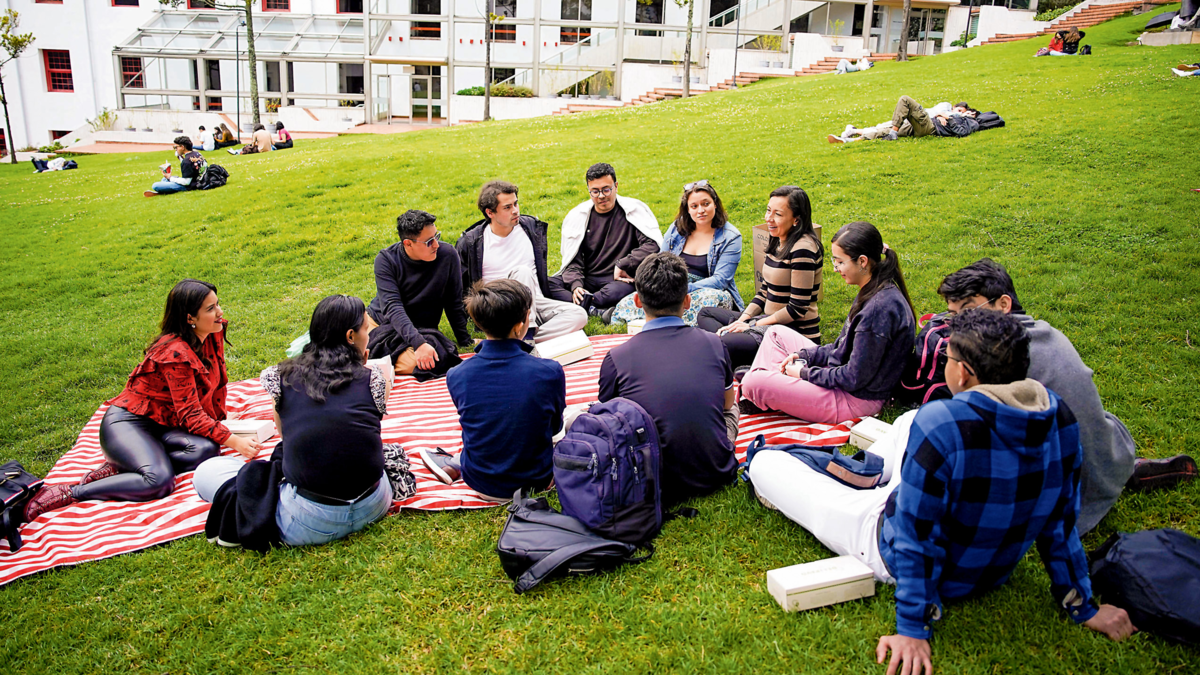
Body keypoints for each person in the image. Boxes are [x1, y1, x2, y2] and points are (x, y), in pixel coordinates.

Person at [747, 310, 1136, 675]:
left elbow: (915, 538)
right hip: (985, 560)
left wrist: (913, 628)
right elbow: (1059, 521)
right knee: (910, 420)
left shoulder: (945, 423)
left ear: (963, 373)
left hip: (886, 544)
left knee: (766, 464)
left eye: (947, 357)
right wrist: (1082, 605)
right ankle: (872, 474)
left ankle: (863, 477)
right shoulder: (1058, 414)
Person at [928, 259, 1194, 530]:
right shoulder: (1041, 331)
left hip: (1066, 493)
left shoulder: (1000, 359)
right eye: (953, 315)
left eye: (969, 312)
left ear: (1004, 305)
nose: (957, 325)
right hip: (1109, 454)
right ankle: (1124, 472)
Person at [22, 279, 261, 522]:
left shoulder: (211, 332)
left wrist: (218, 420)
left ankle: (126, 466)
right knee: (158, 481)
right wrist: (233, 440)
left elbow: (215, 383)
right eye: (210, 309)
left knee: (207, 449)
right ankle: (71, 491)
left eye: (217, 304)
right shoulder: (175, 353)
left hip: (165, 423)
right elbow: (190, 415)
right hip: (128, 422)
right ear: (190, 318)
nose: (220, 312)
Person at [193, 295, 414, 548]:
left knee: (207, 472)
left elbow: (284, 436)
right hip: (373, 505)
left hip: (307, 523)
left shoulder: (280, 377)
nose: (370, 336)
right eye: (367, 329)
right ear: (351, 337)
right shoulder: (375, 378)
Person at [598, 253, 740, 506]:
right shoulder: (715, 343)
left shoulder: (616, 358)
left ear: (637, 301)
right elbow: (727, 404)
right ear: (687, 301)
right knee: (732, 405)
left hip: (649, 477)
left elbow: (609, 424)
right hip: (715, 470)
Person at [740, 221, 915, 424]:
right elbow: (841, 346)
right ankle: (771, 386)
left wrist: (804, 373)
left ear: (863, 261)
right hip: (843, 379)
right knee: (775, 333)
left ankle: (764, 388)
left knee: (753, 382)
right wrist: (803, 355)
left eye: (840, 262)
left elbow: (853, 378)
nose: (836, 269)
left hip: (856, 401)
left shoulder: (878, 310)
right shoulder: (873, 288)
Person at [419, 279, 566, 501]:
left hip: (481, 483)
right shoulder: (549, 371)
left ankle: (454, 463)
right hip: (537, 481)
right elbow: (555, 428)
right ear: (520, 325)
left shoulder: (457, 375)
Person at [697, 186, 821, 368]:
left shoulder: (803, 249)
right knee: (705, 314)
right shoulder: (778, 239)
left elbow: (797, 309)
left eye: (777, 214)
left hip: (790, 332)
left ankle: (738, 354)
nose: (768, 218)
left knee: (721, 344)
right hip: (766, 321)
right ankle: (738, 352)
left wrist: (753, 327)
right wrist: (742, 320)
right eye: (768, 210)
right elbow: (764, 291)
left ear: (796, 219)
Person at [455, 180, 587, 343]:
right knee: (522, 272)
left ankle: (514, 340)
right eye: (507, 207)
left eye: (515, 204)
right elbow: (460, 288)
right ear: (490, 213)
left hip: (534, 302)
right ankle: (527, 337)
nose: (515, 211)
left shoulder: (530, 227)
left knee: (579, 315)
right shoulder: (472, 242)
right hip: (500, 305)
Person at [610, 179, 744, 326]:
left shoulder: (731, 236)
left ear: (715, 204)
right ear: (687, 209)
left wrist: (684, 289)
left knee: (707, 301)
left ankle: (663, 321)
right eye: (694, 206)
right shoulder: (677, 228)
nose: (700, 210)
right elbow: (661, 260)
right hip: (673, 284)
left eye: (706, 204)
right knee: (632, 302)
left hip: (707, 290)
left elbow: (721, 280)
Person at [546, 163, 663, 319]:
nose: (601, 196)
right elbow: (572, 260)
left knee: (624, 290)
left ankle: (584, 304)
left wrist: (623, 263)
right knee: (545, 283)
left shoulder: (633, 211)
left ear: (616, 186)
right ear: (589, 191)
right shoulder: (577, 217)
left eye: (606, 189)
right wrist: (576, 286)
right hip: (587, 278)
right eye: (595, 191)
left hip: (619, 280)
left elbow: (652, 245)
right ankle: (593, 308)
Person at [366, 209, 472, 380]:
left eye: (436, 237)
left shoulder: (447, 255)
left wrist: (464, 340)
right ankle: (372, 354)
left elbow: (453, 301)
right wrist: (419, 343)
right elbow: (393, 307)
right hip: (380, 323)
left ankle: (377, 359)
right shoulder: (386, 260)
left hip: (420, 328)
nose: (436, 245)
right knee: (415, 360)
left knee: (435, 358)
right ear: (408, 243)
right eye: (429, 241)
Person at [829, 101, 977, 143]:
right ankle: (851, 139)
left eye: (969, 113)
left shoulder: (970, 122)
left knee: (905, 99)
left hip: (930, 127)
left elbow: (961, 132)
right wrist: (941, 115)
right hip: (924, 123)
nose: (967, 113)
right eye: (965, 111)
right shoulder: (950, 110)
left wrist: (947, 117)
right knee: (886, 129)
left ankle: (853, 132)